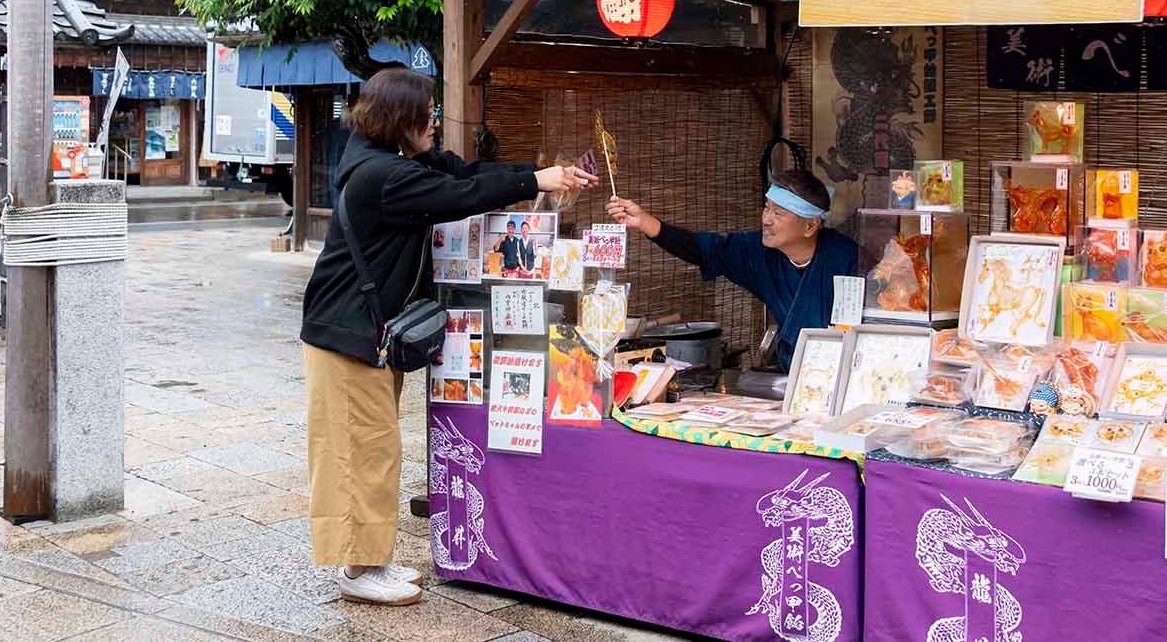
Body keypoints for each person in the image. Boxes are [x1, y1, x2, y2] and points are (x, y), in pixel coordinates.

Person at [301, 67, 595, 606]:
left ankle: (368, 560)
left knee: (372, 448)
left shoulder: (391, 161)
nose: (435, 121)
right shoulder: (382, 175)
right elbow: (460, 195)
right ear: (400, 119)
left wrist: (539, 173)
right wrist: (536, 182)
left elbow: (465, 172)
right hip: (346, 334)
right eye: (427, 114)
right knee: (362, 452)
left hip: (363, 332)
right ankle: (359, 570)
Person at [607, 168, 857, 371]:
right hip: (794, 380)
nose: (766, 219)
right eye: (767, 207)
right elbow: (705, 249)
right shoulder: (760, 253)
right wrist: (645, 222)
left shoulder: (848, 259)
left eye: (778, 213)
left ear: (810, 226)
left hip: (845, 375)